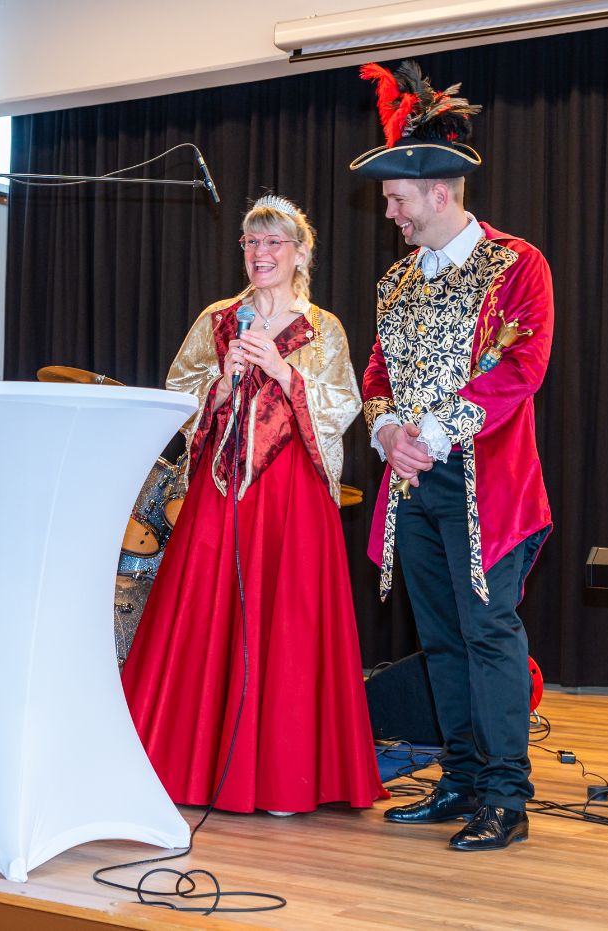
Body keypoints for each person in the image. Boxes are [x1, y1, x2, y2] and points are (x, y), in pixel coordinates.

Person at [120, 194, 386, 815]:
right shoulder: (218, 319)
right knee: (202, 616)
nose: (260, 254)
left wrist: (285, 373)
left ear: (300, 254)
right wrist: (219, 386)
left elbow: (342, 405)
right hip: (221, 493)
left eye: (273, 243)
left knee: (287, 622)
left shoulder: (322, 328)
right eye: (251, 242)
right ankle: (186, 765)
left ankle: (284, 775)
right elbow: (178, 395)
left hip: (291, 494)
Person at [350, 61, 554, 852]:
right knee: (440, 637)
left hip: (485, 485)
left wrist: (431, 433)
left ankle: (506, 794)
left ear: (438, 192)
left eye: (397, 199)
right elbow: (376, 373)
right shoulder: (395, 282)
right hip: (413, 489)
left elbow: (521, 367)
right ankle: (462, 778)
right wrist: (385, 432)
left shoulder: (517, 264)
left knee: (489, 632)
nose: (390, 213)